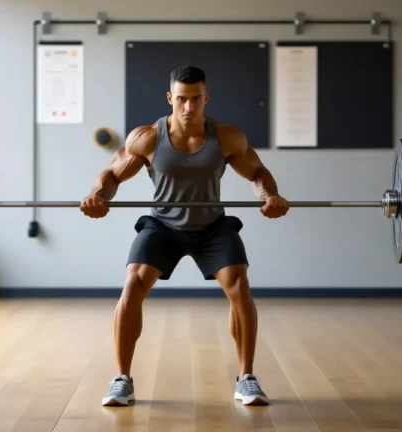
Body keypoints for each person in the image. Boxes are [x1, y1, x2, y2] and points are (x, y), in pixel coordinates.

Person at [80, 65, 289, 407]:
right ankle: (122, 379)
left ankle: (247, 378)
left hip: (212, 226)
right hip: (163, 226)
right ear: (170, 98)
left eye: (195, 99)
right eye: (181, 99)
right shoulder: (147, 137)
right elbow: (112, 174)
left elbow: (257, 171)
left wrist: (269, 196)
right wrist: (97, 196)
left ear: (206, 98)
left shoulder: (226, 136)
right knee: (133, 283)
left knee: (238, 285)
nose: (189, 107)